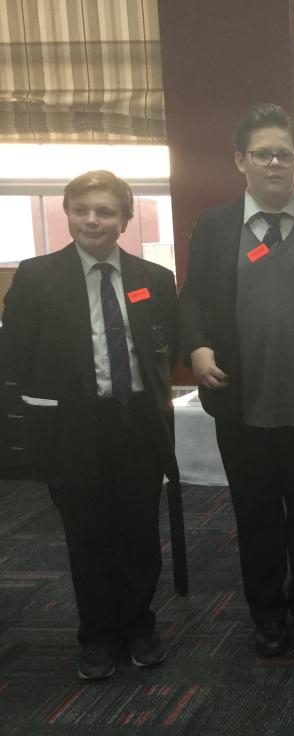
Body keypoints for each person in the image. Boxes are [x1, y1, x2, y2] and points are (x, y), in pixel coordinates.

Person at [179, 103, 294, 657]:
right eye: (264, 154)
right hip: (242, 402)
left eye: (286, 154)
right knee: (255, 515)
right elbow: (195, 299)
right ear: (241, 161)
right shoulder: (216, 226)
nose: (276, 163)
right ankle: (266, 612)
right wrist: (198, 347)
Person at [0, 171, 179, 679]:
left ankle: (139, 627)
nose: (92, 220)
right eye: (82, 210)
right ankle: (97, 636)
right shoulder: (36, 277)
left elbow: (170, 346)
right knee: (88, 536)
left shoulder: (153, 278)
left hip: (137, 424)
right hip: (71, 430)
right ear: (68, 213)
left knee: (140, 534)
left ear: (124, 220)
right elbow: (15, 353)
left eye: (104, 211)